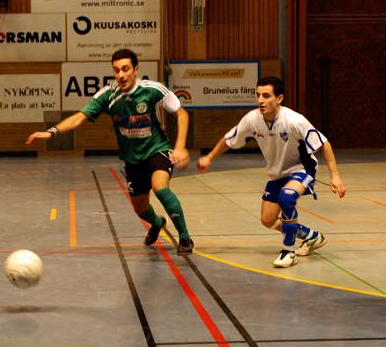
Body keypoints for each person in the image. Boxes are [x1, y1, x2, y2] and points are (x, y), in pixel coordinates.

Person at [26, 49, 194, 253]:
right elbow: (79, 117)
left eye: (125, 69)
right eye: (116, 70)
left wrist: (180, 146)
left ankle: (185, 237)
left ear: (135, 70)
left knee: (160, 187)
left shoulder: (152, 89)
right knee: (140, 209)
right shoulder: (108, 95)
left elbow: (182, 114)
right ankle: (158, 223)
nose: (121, 75)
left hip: (156, 150)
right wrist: (52, 132)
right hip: (132, 160)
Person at [197, 76, 345, 268]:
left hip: (301, 168)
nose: (260, 100)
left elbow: (323, 143)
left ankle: (288, 251)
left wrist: (335, 176)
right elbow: (229, 139)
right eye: (258, 95)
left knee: (286, 197)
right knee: (267, 220)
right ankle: (311, 236)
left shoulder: (294, 120)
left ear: (279, 98)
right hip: (277, 174)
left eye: (266, 96)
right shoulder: (252, 120)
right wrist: (210, 157)